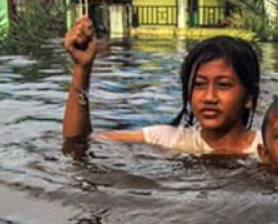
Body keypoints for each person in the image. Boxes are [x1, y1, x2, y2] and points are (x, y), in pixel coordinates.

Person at [62, 17, 262, 156]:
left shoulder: (268, 149)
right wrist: (82, 68)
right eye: (199, 85)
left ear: (248, 98)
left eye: (224, 85)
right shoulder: (167, 140)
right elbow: (78, 142)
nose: (209, 97)